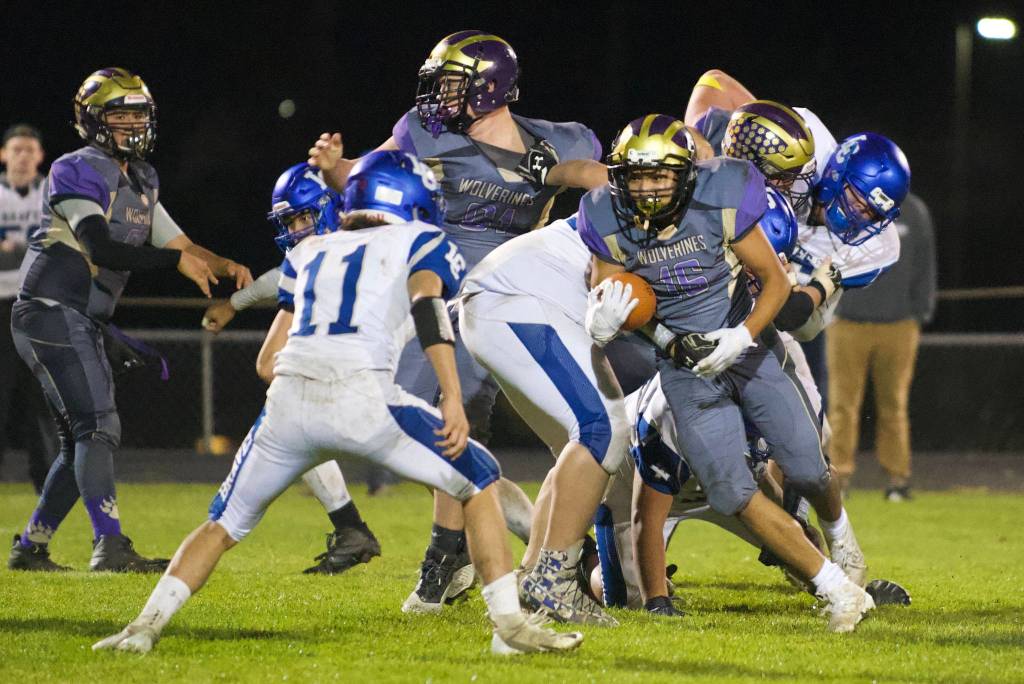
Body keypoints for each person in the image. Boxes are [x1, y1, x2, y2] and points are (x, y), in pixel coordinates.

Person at [92, 150, 584, 656]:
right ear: (410, 199)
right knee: (478, 477)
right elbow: (428, 308)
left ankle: (143, 628)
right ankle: (510, 628)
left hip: (287, 406)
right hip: (363, 399)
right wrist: (452, 396)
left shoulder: (311, 250)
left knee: (222, 524)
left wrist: (233, 304)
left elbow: (281, 312)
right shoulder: (419, 239)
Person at [308, 30, 607, 613]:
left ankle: (467, 555)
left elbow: (607, 183)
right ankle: (503, 543)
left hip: (518, 293)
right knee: (421, 428)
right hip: (442, 292)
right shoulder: (424, 133)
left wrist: (556, 170)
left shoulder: (559, 141)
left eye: (451, 82)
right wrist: (333, 168)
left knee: (461, 429)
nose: (438, 96)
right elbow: (372, 177)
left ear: (491, 85)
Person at [575, 113, 874, 632]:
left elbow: (775, 284)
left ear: (686, 173)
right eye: (637, 176)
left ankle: (841, 537)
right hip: (686, 369)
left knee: (806, 467)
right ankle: (839, 591)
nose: (646, 189)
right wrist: (611, 322)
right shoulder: (605, 217)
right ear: (619, 175)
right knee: (731, 493)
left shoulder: (722, 195)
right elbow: (610, 297)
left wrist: (740, 336)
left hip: (749, 347)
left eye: (660, 175)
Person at [7, 67, 253, 573]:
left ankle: (31, 548)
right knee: (97, 426)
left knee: (83, 437)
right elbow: (99, 245)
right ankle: (109, 546)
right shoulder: (75, 168)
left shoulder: (141, 178)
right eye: (120, 116)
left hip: (81, 317)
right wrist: (175, 263)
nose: (132, 126)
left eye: (138, 116)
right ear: (94, 121)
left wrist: (224, 265)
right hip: (50, 309)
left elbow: (179, 245)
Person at [201, 163, 381, 575]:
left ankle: (484, 539)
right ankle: (351, 526)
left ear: (330, 207)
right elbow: (282, 277)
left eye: (304, 216)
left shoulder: (360, 238)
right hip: (349, 365)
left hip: (384, 359)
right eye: (290, 220)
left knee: (448, 468)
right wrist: (234, 303)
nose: (297, 228)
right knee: (288, 405)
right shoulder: (315, 251)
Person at [827, 192, 936, 501]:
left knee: (895, 404)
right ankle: (837, 478)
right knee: (842, 405)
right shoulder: (844, 210)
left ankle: (897, 480)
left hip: (899, 324)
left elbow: (926, 263)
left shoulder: (914, 210)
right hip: (848, 322)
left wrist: (920, 312)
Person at [0, 124, 57, 493]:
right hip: (2, 304)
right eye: (16, 149)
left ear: (40, 157)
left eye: (29, 150)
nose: (22, 156)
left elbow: (58, 245)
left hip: (40, 303)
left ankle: (48, 482)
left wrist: (14, 249)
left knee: (44, 397)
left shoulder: (51, 194)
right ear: (4, 154)